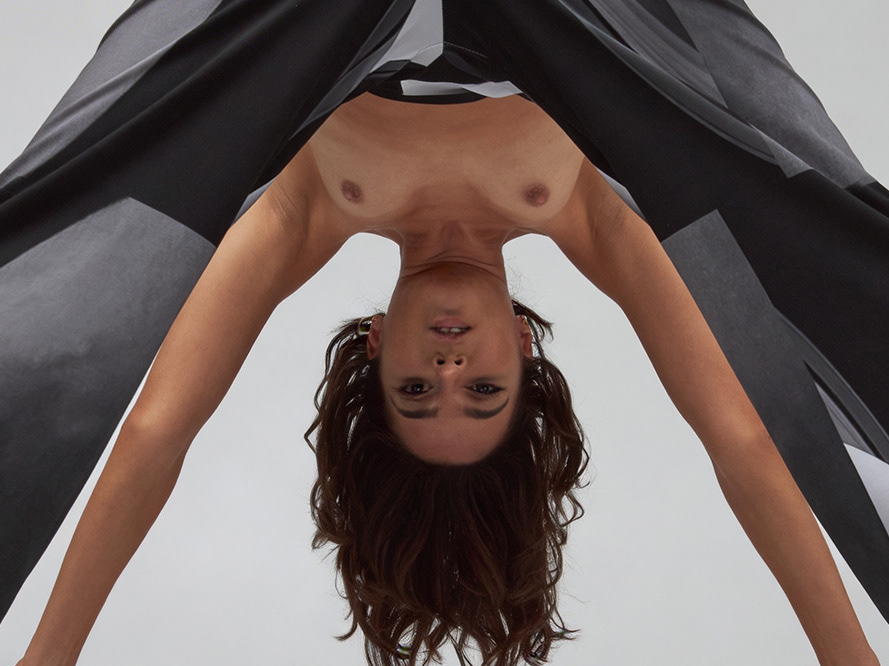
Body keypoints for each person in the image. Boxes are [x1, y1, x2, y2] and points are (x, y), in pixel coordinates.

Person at [2, 0, 888, 664]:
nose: (450, 363)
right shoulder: (588, 210)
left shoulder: (309, 210)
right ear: (528, 356)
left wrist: (48, 657)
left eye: (417, 391)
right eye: (482, 391)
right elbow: (745, 437)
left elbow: (155, 430)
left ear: (374, 346)